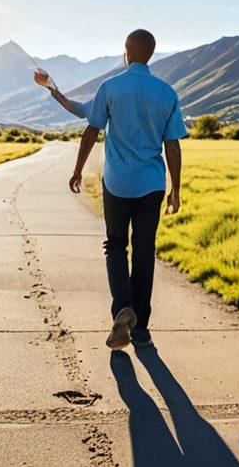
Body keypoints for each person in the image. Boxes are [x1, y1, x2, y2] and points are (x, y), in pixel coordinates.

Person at [67, 29, 185, 350]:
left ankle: (122, 309)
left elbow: (91, 131)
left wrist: (78, 170)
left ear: (126, 53)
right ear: (150, 54)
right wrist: (175, 189)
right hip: (151, 185)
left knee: (116, 247)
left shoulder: (110, 87)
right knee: (144, 252)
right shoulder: (166, 92)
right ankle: (141, 328)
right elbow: (171, 146)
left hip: (117, 184)